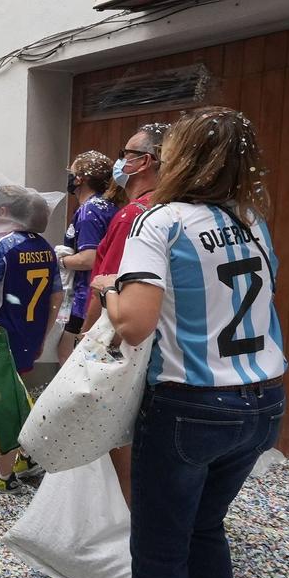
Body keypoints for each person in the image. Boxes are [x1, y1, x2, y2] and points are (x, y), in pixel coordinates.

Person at [93, 108, 285, 578]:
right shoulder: (251, 224)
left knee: (160, 546)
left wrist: (107, 291)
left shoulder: (162, 221)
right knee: (206, 530)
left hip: (191, 402)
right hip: (260, 400)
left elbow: (136, 323)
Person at [86, 123, 170, 502]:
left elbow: (109, 282)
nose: (120, 161)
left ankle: (125, 515)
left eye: (127, 153)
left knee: (118, 433)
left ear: (144, 162)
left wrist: (87, 341)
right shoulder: (173, 210)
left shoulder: (134, 216)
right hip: (164, 345)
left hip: (125, 336)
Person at [0, 185, 59, 486]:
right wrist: (43, 335)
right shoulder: (46, 247)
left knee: (8, 402)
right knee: (18, 394)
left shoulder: (4, 246)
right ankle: (26, 455)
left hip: (0, 333)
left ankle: (4, 471)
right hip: (30, 332)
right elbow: (56, 296)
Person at [58, 150, 118, 357]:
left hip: (85, 296)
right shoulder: (109, 206)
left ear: (79, 179)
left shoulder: (89, 211)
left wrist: (60, 260)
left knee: (69, 355)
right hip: (104, 293)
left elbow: (89, 258)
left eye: (71, 173)